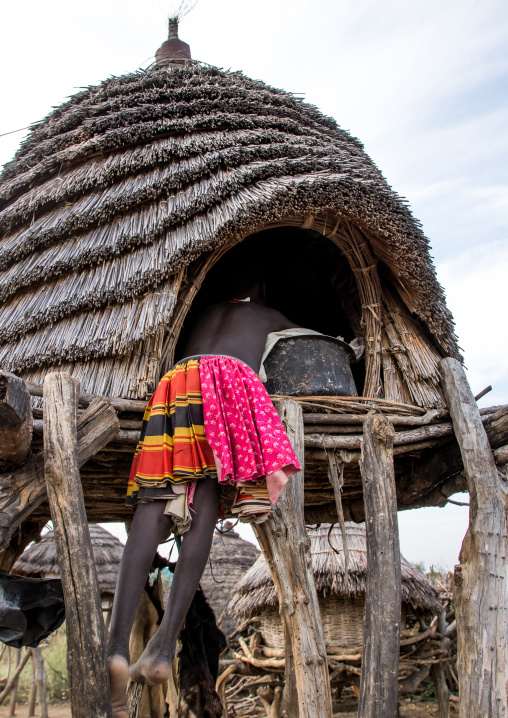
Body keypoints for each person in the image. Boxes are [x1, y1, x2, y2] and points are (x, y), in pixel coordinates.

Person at [108, 272, 301, 718]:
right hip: (229, 382)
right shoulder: (269, 314)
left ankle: (117, 647)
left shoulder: (204, 314)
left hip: (177, 382)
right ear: (262, 291)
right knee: (205, 507)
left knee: (156, 500)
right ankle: (160, 651)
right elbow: (310, 342)